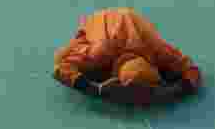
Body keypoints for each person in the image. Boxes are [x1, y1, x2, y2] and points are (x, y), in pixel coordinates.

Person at [53, 8, 201, 105]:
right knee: (61, 56)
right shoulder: (100, 53)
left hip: (128, 21)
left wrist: (177, 89)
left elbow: (192, 70)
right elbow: (60, 66)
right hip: (100, 20)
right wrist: (94, 89)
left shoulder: (158, 50)